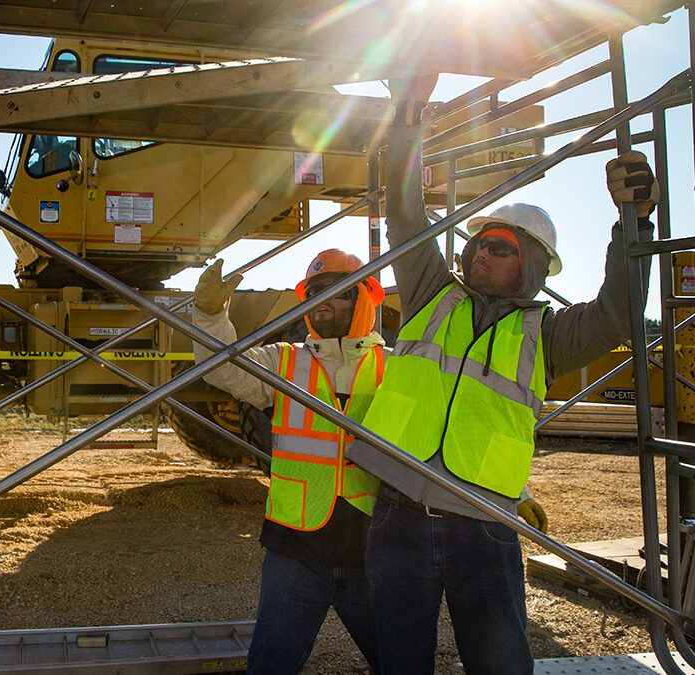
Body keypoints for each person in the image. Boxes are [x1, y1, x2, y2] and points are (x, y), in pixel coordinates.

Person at [351, 75, 659, 673]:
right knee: (398, 663)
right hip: (398, 515)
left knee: (501, 666)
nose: (480, 255)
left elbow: (619, 313)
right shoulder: (430, 295)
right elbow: (408, 216)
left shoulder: (547, 335)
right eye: (479, 245)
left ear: (534, 265)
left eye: (500, 248)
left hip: (484, 525)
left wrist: (632, 221)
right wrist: (408, 117)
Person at [192, 250, 388, 674]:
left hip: (372, 552)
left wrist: (515, 494)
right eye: (314, 291)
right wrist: (209, 315)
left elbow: (446, 432)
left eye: (334, 291)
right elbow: (222, 369)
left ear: (364, 298)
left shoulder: (395, 369)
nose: (322, 300)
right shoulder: (284, 361)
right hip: (296, 551)